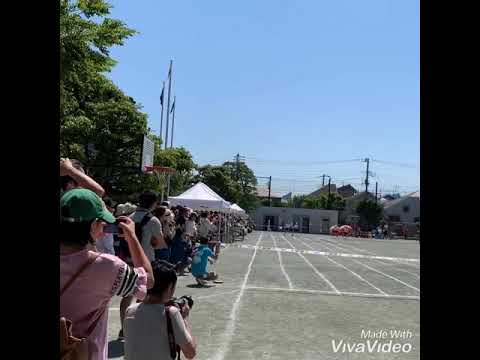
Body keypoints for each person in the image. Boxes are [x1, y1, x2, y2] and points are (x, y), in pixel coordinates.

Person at [60, 189, 154, 360]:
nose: (104, 229)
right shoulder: (107, 266)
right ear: (93, 224)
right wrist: (132, 237)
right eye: (102, 223)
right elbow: (148, 280)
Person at [118, 191, 166, 340]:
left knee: (127, 295)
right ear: (154, 203)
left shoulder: (129, 217)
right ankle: (140, 327)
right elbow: (160, 244)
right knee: (144, 296)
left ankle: (124, 328)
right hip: (145, 262)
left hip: (127, 259)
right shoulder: (153, 220)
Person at [124, 261, 197, 360]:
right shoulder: (171, 313)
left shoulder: (130, 310)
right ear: (170, 288)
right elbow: (190, 353)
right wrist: (184, 318)